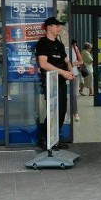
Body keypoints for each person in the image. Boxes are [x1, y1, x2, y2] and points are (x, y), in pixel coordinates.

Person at [35, 17, 73, 147]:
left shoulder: (59, 44)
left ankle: (54, 139)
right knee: (53, 111)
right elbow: (43, 64)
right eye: (57, 26)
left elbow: (66, 61)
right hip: (50, 82)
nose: (59, 28)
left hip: (61, 82)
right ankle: (45, 140)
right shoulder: (43, 43)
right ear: (49, 27)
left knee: (62, 111)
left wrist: (70, 69)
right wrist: (63, 72)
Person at [68, 38, 82, 122]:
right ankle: (65, 113)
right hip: (63, 74)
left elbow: (81, 61)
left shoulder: (75, 48)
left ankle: (75, 112)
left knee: (74, 94)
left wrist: (72, 64)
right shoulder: (61, 48)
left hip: (74, 74)